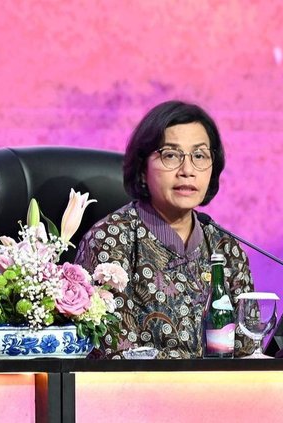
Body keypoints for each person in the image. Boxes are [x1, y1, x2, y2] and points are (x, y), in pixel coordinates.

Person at [75, 100, 255, 359]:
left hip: (222, 395)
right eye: (171, 155)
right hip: (136, 395)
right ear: (142, 167)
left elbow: (248, 348)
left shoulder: (225, 248)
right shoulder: (111, 239)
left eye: (200, 156)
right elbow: (115, 351)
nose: (187, 171)